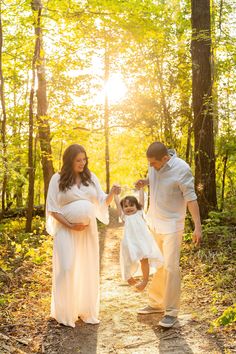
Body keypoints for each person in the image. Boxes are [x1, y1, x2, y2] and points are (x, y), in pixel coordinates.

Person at [46, 144, 120, 327]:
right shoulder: (57, 179)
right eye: (78, 160)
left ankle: (84, 310)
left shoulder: (90, 178)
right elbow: (52, 209)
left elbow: (102, 202)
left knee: (86, 267)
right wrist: (70, 224)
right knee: (67, 267)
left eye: (84, 159)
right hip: (65, 230)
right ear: (69, 160)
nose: (82, 163)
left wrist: (112, 192)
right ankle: (64, 312)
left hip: (87, 232)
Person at [135, 142, 202, 328]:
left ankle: (171, 312)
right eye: (149, 163)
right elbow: (157, 179)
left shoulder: (182, 170)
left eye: (154, 163)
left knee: (171, 268)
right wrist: (145, 181)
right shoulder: (154, 166)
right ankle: (156, 303)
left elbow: (191, 198)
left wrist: (197, 226)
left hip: (172, 226)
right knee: (158, 264)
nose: (151, 166)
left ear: (165, 158)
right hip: (154, 223)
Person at [114, 189, 163, 291]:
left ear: (137, 207)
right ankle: (128, 277)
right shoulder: (124, 217)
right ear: (123, 209)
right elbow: (118, 206)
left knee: (144, 260)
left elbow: (142, 200)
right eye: (126, 206)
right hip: (130, 242)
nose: (129, 208)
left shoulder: (140, 213)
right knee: (127, 258)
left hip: (142, 242)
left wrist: (141, 188)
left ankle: (145, 280)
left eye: (132, 205)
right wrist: (115, 195)